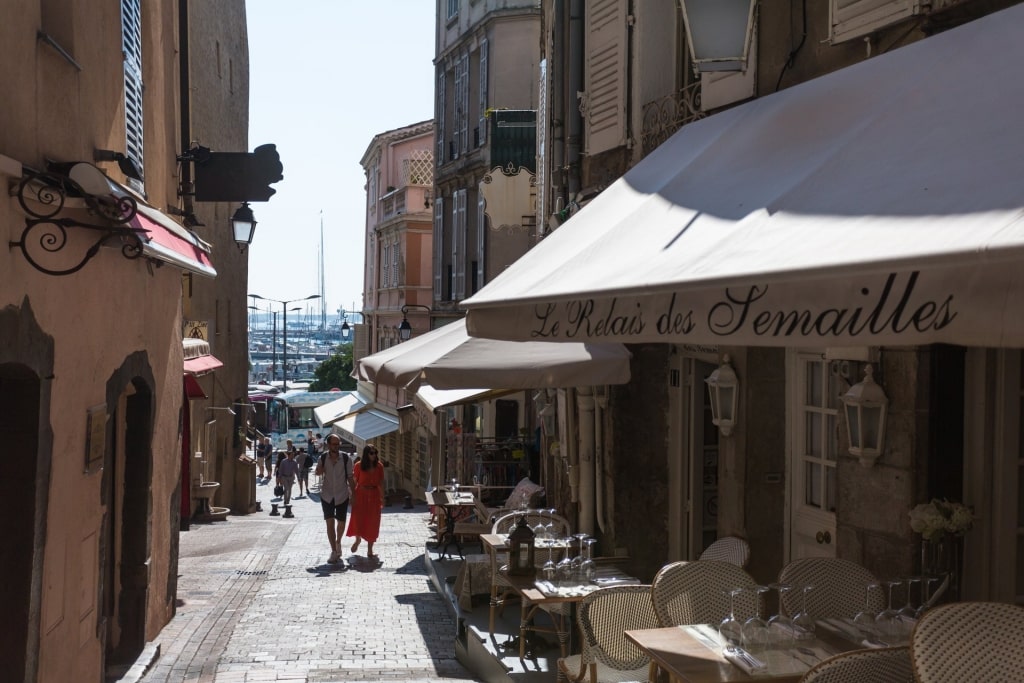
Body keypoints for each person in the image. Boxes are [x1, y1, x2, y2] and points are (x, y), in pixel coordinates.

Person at [316, 433, 354, 564]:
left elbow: (350, 477)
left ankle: (338, 542)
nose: (336, 446)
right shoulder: (322, 457)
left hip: (342, 494)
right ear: (328, 444)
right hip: (327, 495)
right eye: (334, 444)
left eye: (338, 444)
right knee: (330, 522)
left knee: (341, 523)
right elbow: (317, 472)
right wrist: (319, 467)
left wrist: (353, 494)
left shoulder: (346, 458)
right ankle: (333, 550)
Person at [346, 443, 385, 558]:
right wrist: (352, 496)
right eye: (371, 453)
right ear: (366, 454)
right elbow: (354, 481)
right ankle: (357, 540)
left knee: (373, 522)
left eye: (375, 453)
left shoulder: (379, 466)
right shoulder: (358, 465)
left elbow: (381, 483)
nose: (374, 455)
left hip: (374, 495)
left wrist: (383, 498)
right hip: (361, 494)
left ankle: (370, 550)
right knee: (359, 519)